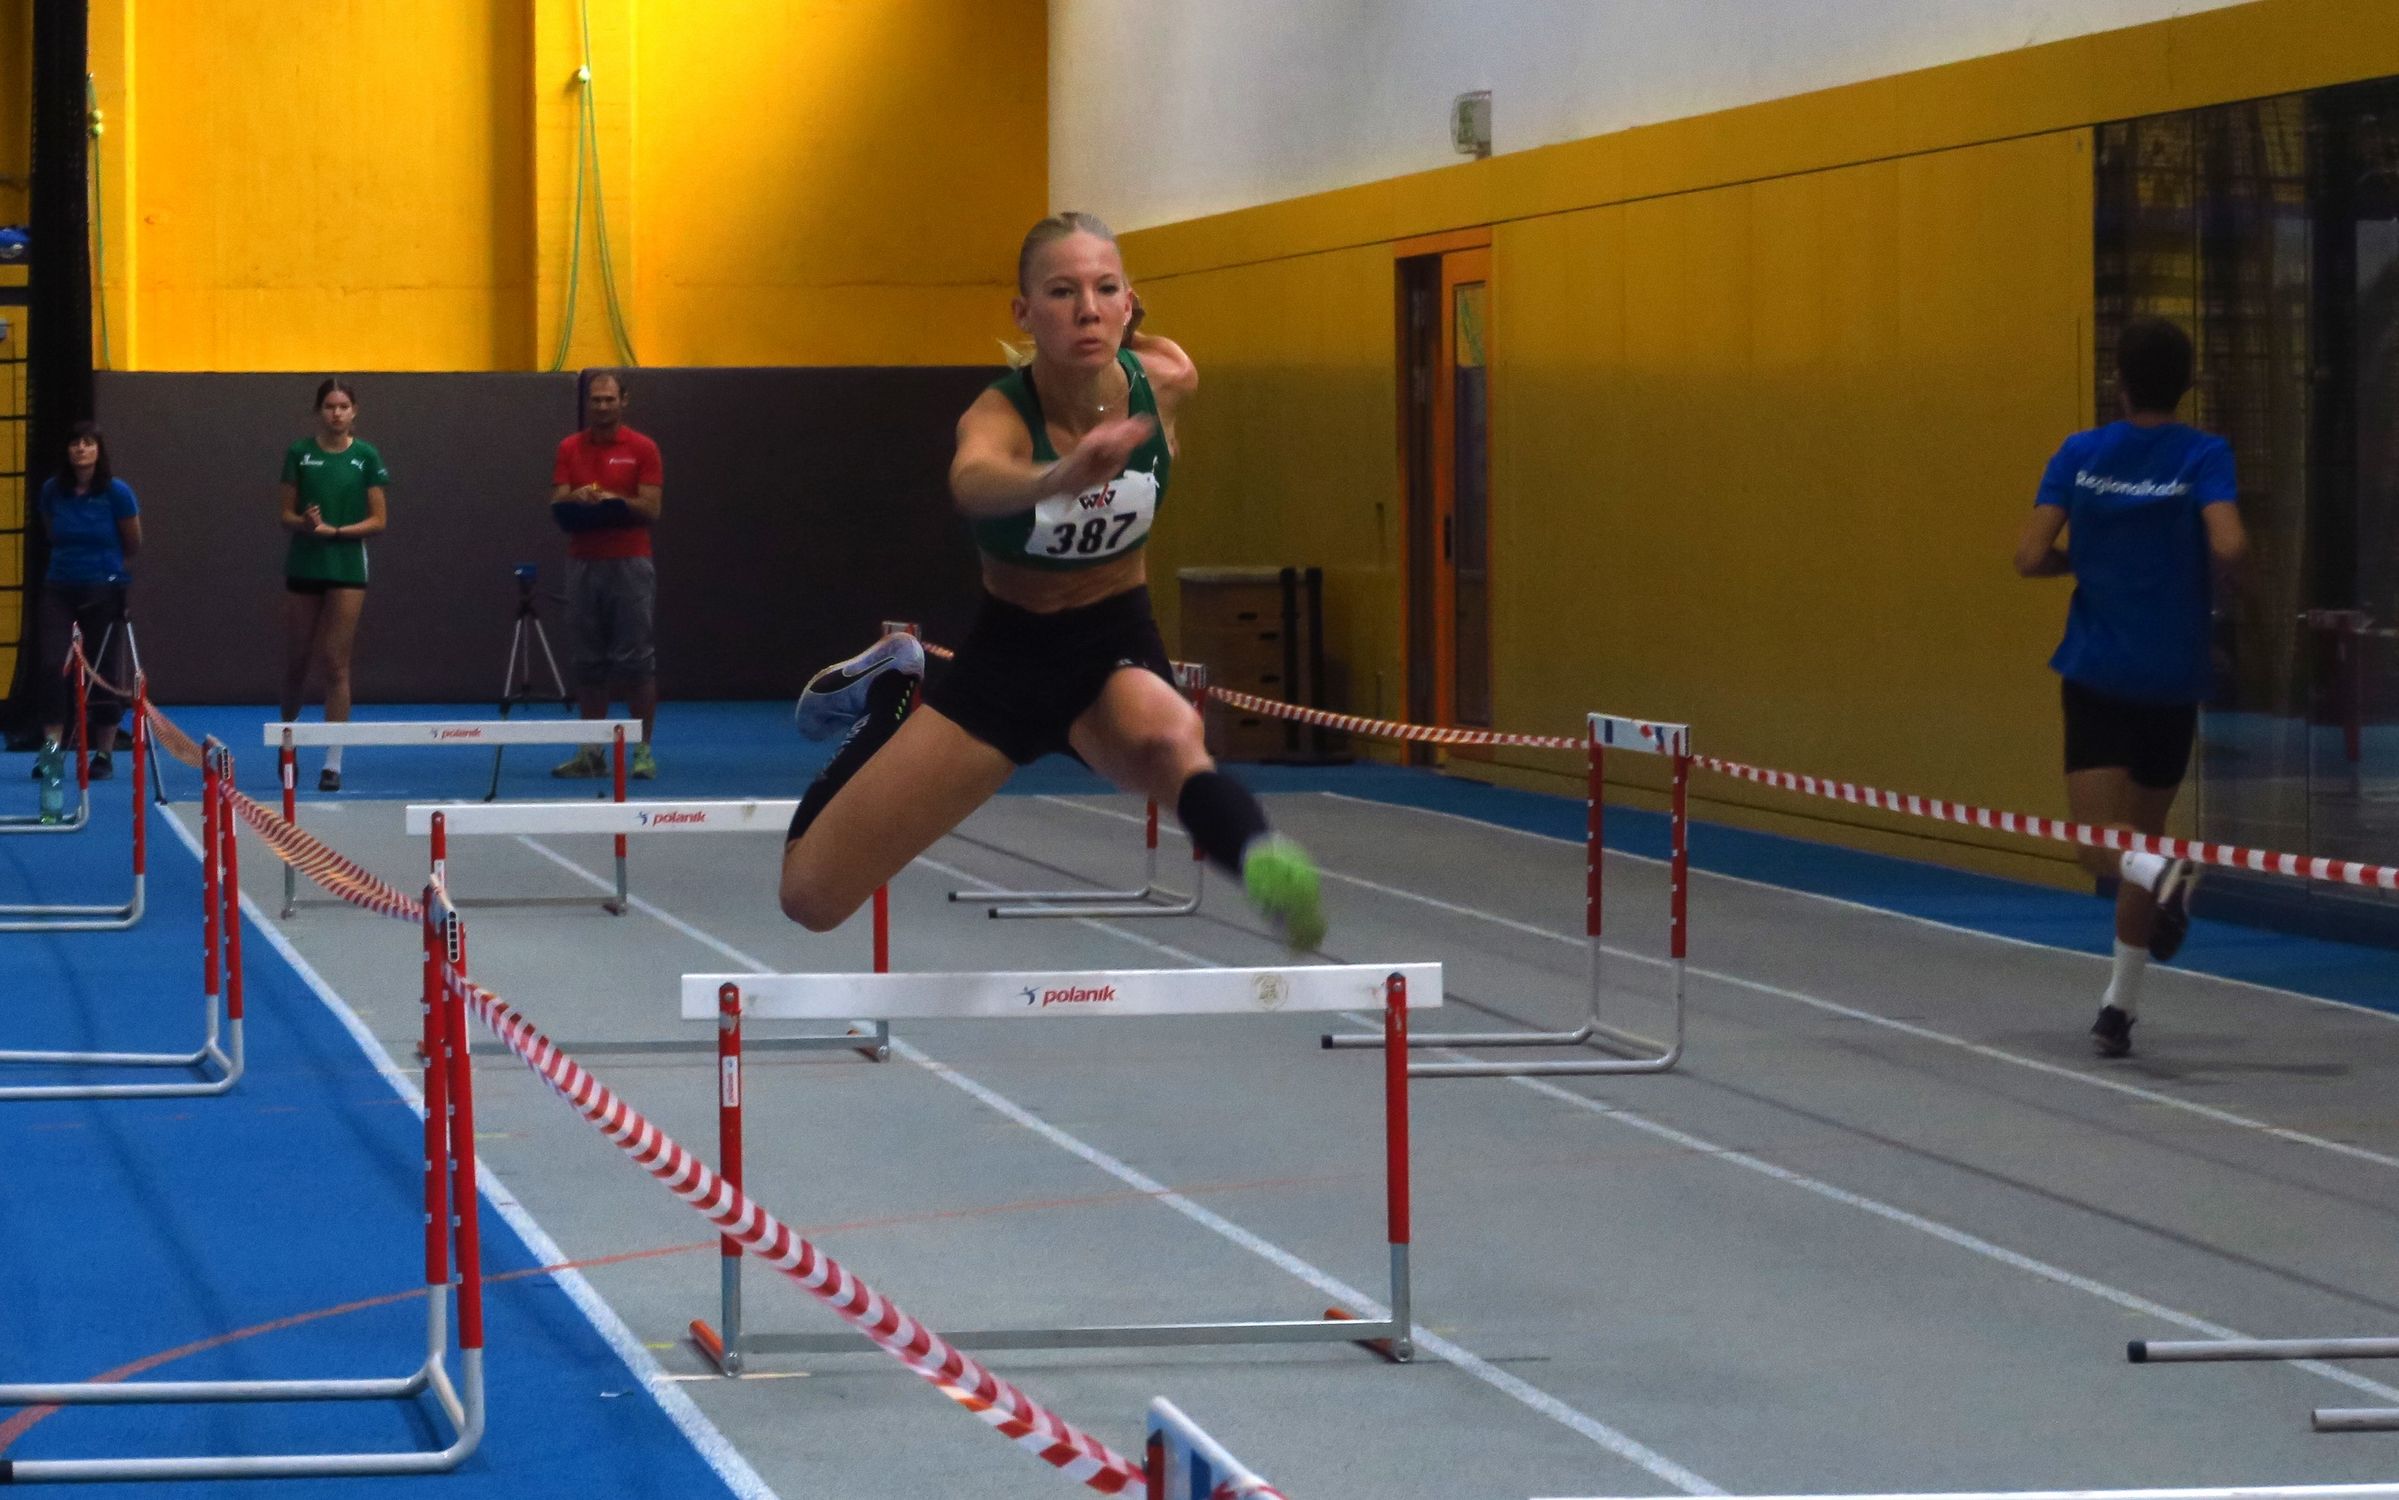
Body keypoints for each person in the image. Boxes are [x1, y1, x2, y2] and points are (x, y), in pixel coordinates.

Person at [777, 211, 1324, 949]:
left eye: (1105, 290)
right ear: (1024, 313)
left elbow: (1149, 354)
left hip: (1112, 639)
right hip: (1008, 663)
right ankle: (889, 696)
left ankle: (1264, 866)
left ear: (1128, 303)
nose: (1086, 310)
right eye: (1062, 292)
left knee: (1170, 739)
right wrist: (1059, 476)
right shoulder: (998, 414)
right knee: (810, 899)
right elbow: (973, 483)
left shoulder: (1166, 381)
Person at [2015, 316, 2247, 1058]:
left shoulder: (2080, 453)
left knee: (2100, 848)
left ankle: (2164, 877)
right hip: (2173, 676)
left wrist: (2083, 564)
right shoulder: (2203, 453)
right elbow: (2230, 542)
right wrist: (2215, 588)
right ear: (2187, 385)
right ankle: (2118, 1008)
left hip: (2100, 671)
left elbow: (2029, 555)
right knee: (2138, 842)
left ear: (2118, 382)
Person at [548, 370, 662, 780]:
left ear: (623, 401)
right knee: (587, 660)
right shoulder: (569, 447)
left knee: (636, 661)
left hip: (630, 563)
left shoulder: (643, 448)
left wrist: (616, 500)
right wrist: (577, 496)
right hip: (582, 563)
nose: (602, 406)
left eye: (609, 399)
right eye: (595, 400)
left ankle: (643, 751)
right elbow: (557, 499)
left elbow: (651, 508)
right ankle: (591, 751)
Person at [279, 378, 389, 792]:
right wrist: (306, 524)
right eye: (329, 406)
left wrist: (337, 531)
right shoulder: (299, 453)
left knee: (335, 662)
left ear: (354, 411)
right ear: (318, 411)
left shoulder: (366, 456)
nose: (337, 413)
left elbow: (379, 520)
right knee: (297, 660)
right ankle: (287, 744)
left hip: (347, 567)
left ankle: (332, 762)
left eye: (343, 406)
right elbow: (285, 515)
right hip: (304, 563)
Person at [33, 421, 140, 779]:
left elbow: (132, 541)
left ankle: (104, 752)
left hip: (102, 586)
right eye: (75, 443)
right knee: (52, 665)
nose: (81, 449)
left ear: (98, 450)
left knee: (102, 667)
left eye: (88, 443)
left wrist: (109, 572)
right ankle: (51, 751)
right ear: (67, 451)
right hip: (59, 585)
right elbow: (52, 532)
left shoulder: (117, 493)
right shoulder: (52, 491)